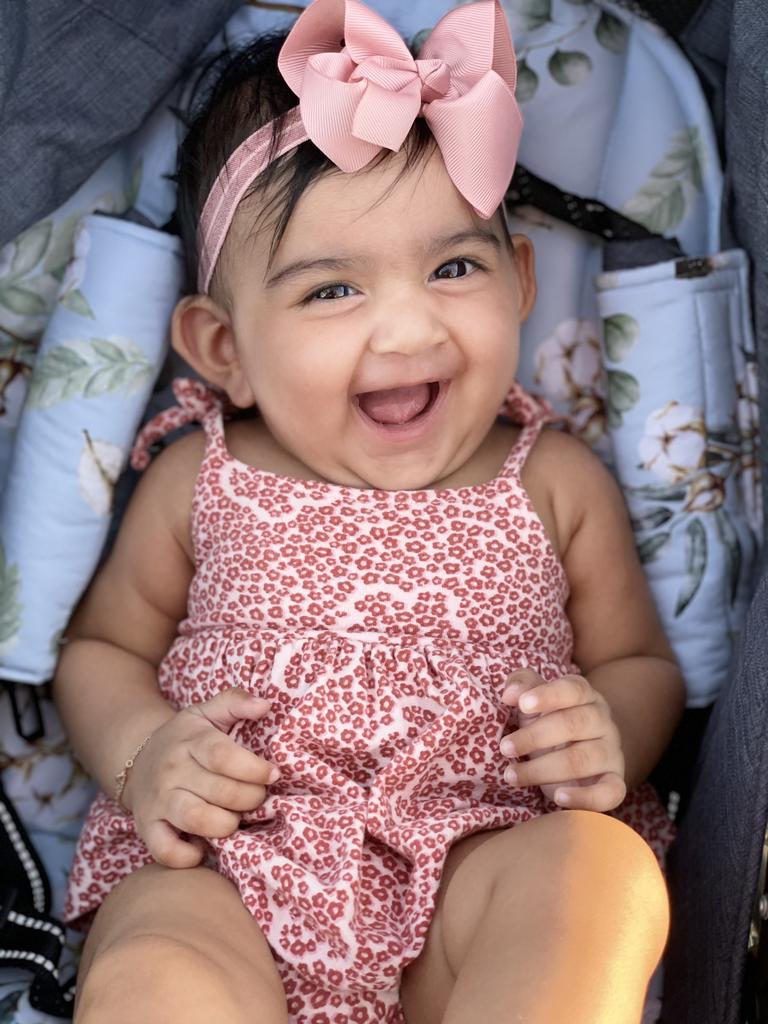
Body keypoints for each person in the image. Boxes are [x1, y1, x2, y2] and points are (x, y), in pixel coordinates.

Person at [53, 0, 685, 1020]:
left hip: (476, 882)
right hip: (228, 875)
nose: (405, 326)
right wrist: (142, 754)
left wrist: (609, 729)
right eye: (330, 292)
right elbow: (99, 649)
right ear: (223, 351)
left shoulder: (552, 477)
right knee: (153, 958)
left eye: (453, 267)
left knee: (598, 872)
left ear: (521, 284)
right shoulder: (199, 475)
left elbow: (640, 662)